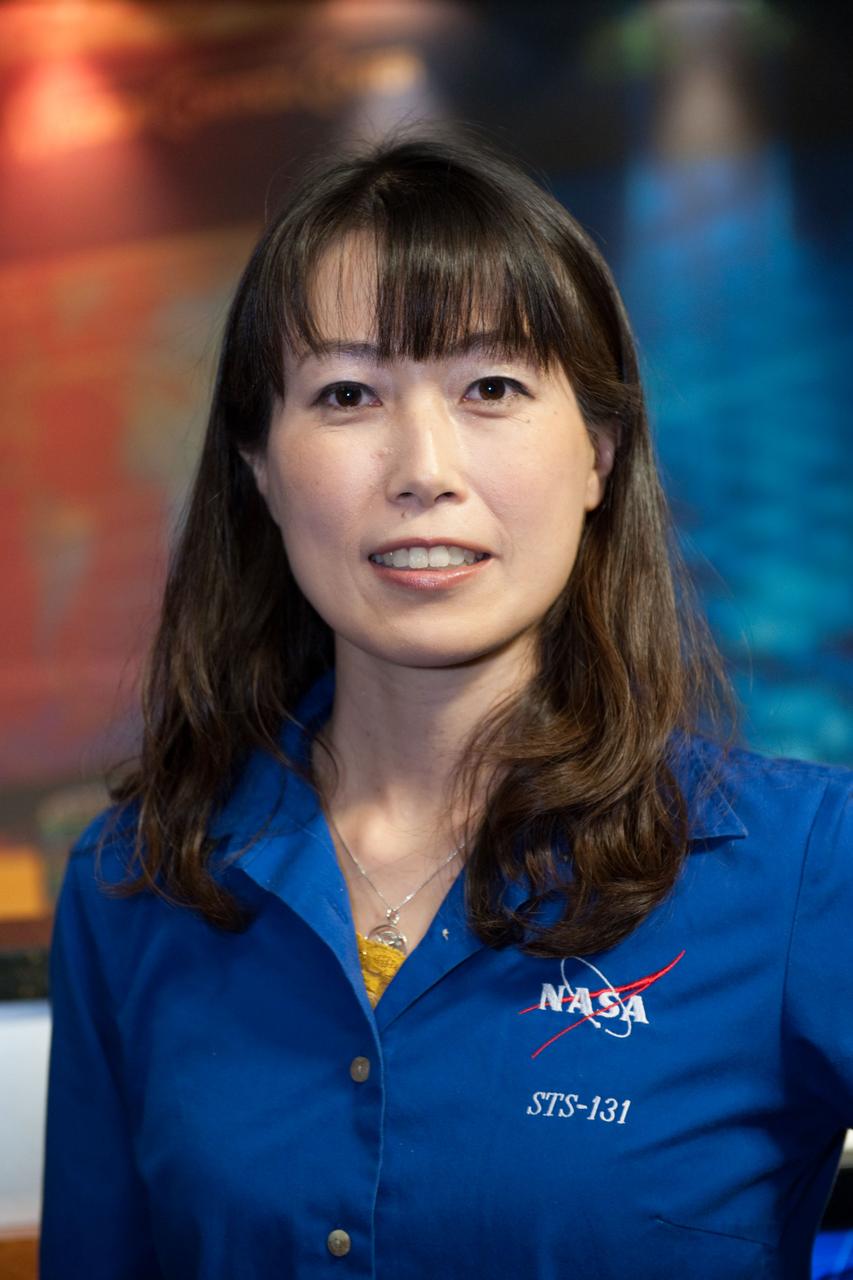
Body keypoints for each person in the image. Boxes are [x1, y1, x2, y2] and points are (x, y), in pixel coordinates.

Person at [40, 127, 851, 1280]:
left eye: (491, 386)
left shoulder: (804, 866)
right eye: (348, 392)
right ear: (259, 465)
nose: (423, 466)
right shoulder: (136, 881)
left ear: (599, 456)